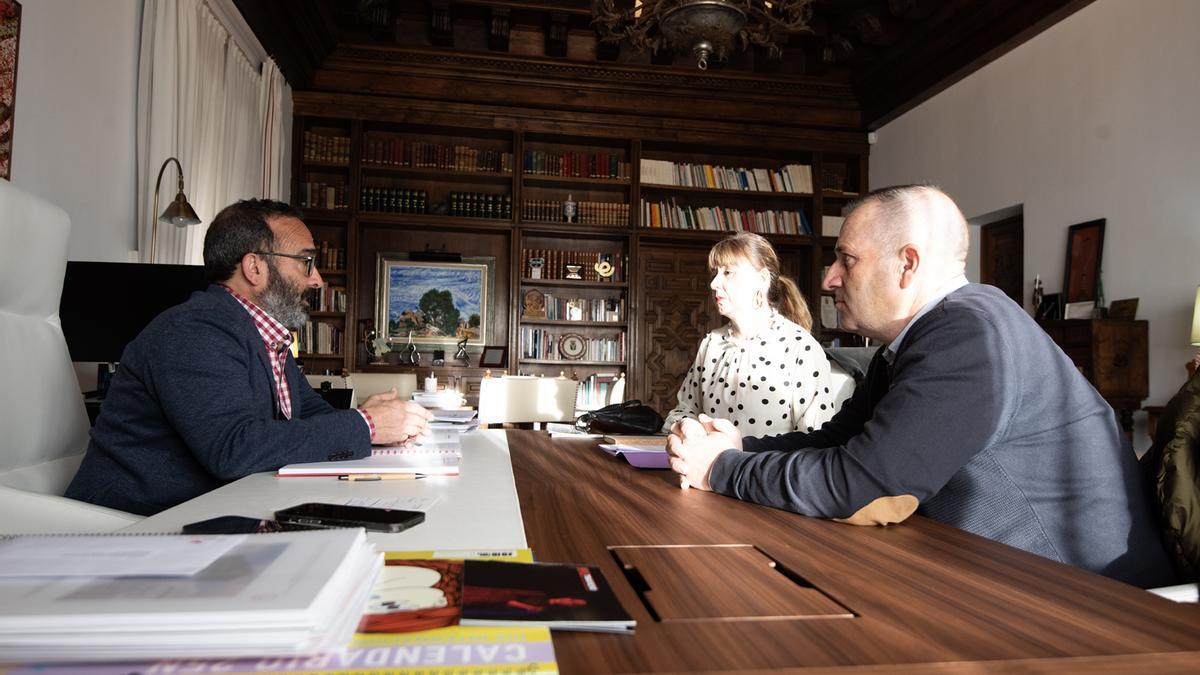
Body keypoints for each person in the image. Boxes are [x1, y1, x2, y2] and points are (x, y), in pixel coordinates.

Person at [666, 185, 1175, 588]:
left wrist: (723, 469)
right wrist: (739, 445)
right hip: (996, 580)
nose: (829, 279)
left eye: (847, 259)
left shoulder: (968, 334)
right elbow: (840, 440)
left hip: (1084, 605)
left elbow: (861, 486)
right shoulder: (916, 338)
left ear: (907, 264)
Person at [66, 199, 432, 515]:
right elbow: (234, 449)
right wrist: (367, 425)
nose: (317, 279)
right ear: (254, 267)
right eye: (306, 262)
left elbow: (307, 415)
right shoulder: (193, 331)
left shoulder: (264, 335)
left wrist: (367, 418)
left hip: (217, 510)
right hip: (137, 525)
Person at [663, 232, 836, 438]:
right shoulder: (712, 344)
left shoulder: (801, 347)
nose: (714, 283)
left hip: (770, 470)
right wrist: (683, 426)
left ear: (761, 279)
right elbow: (683, 410)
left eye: (728, 272)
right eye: (715, 273)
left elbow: (816, 439)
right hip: (712, 469)